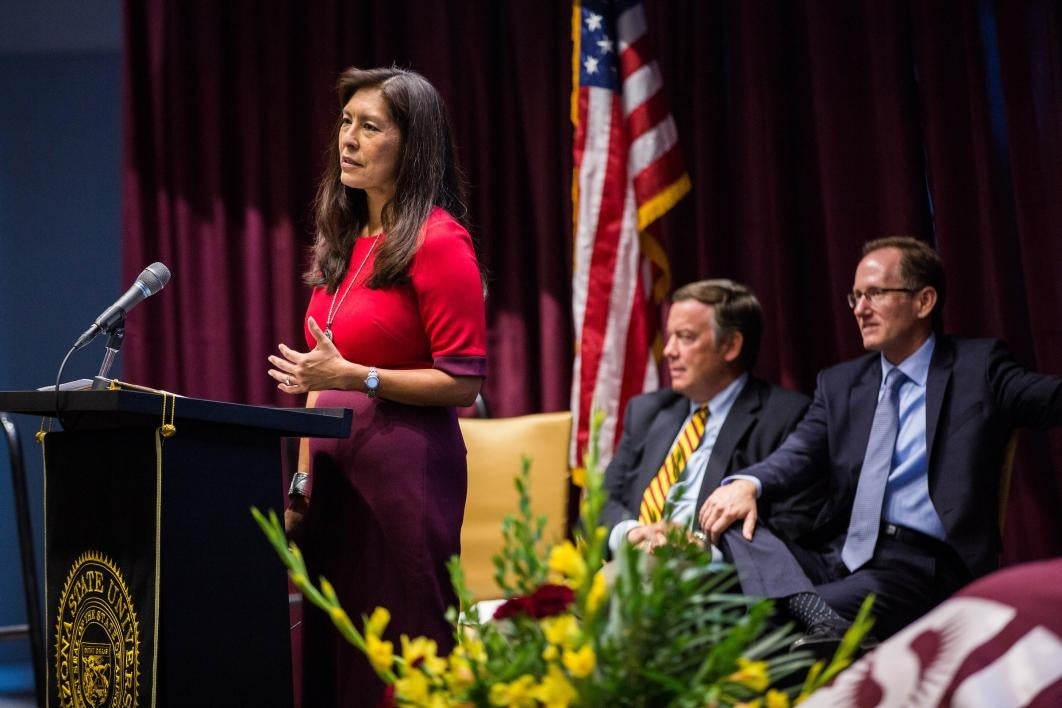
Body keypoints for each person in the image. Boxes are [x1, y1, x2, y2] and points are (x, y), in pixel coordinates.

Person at [698, 236, 1062, 648]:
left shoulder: (978, 367)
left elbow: (1051, 399)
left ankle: (801, 615)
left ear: (924, 301)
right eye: (855, 296)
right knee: (731, 513)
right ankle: (808, 610)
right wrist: (748, 484)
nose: (859, 308)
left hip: (918, 567)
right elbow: (797, 455)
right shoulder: (839, 384)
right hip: (837, 559)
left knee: (752, 626)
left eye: (875, 294)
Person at [267, 66, 486, 706]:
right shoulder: (343, 241)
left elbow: (462, 383)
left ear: (412, 144)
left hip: (405, 478)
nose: (348, 140)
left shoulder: (439, 241)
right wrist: (301, 486)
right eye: (344, 122)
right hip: (333, 482)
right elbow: (317, 377)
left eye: (370, 127)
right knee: (335, 655)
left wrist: (356, 376)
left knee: (400, 653)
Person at [602, 279, 817, 557]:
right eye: (670, 336)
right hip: (630, 572)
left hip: (711, 584)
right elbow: (600, 504)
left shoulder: (786, 417)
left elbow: (796, 523)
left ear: (731, 346)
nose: (669, 350)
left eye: (686, 337)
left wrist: (706, 555)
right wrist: (631, 533)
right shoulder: (646, 412)